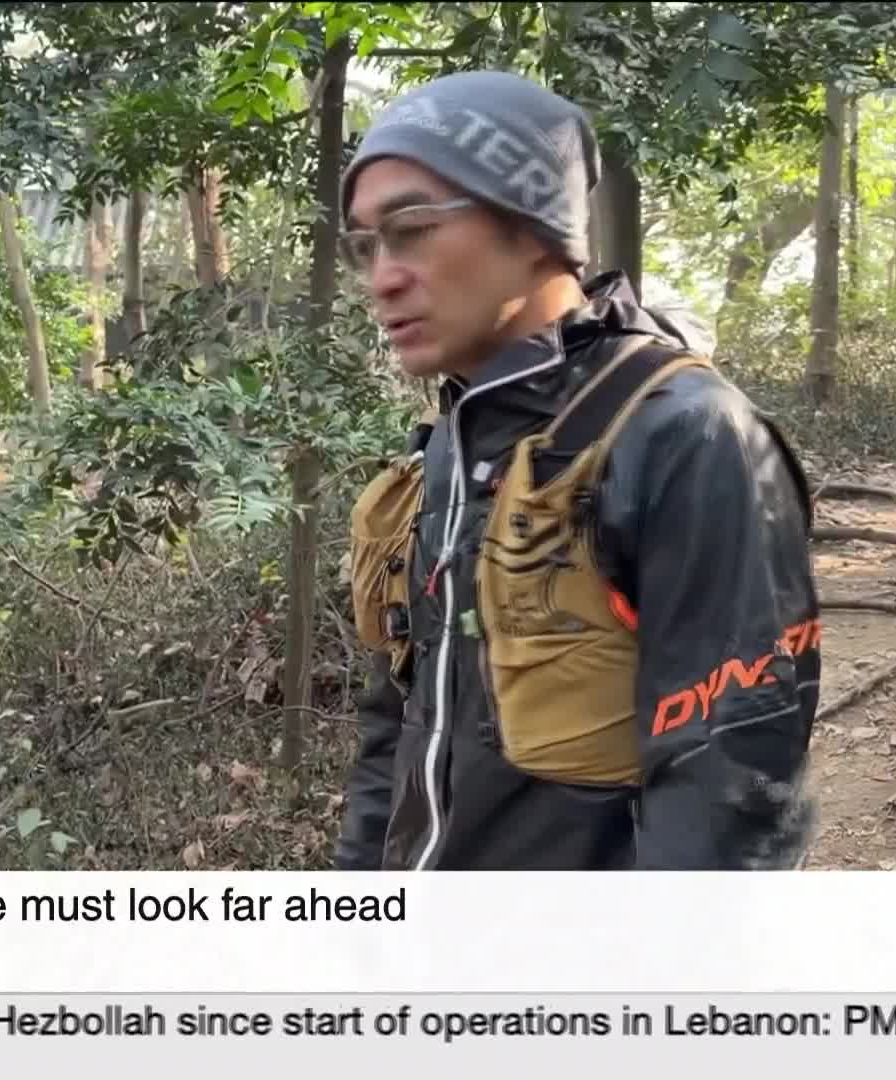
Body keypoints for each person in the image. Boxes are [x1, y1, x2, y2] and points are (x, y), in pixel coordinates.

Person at [333, 71, 821, 872]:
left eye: (413, 227)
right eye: (365, 245)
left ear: (535, 230)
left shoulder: (683, 434)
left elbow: (733, 794)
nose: (381, 276)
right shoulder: (456, 443)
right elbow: (396, 728)